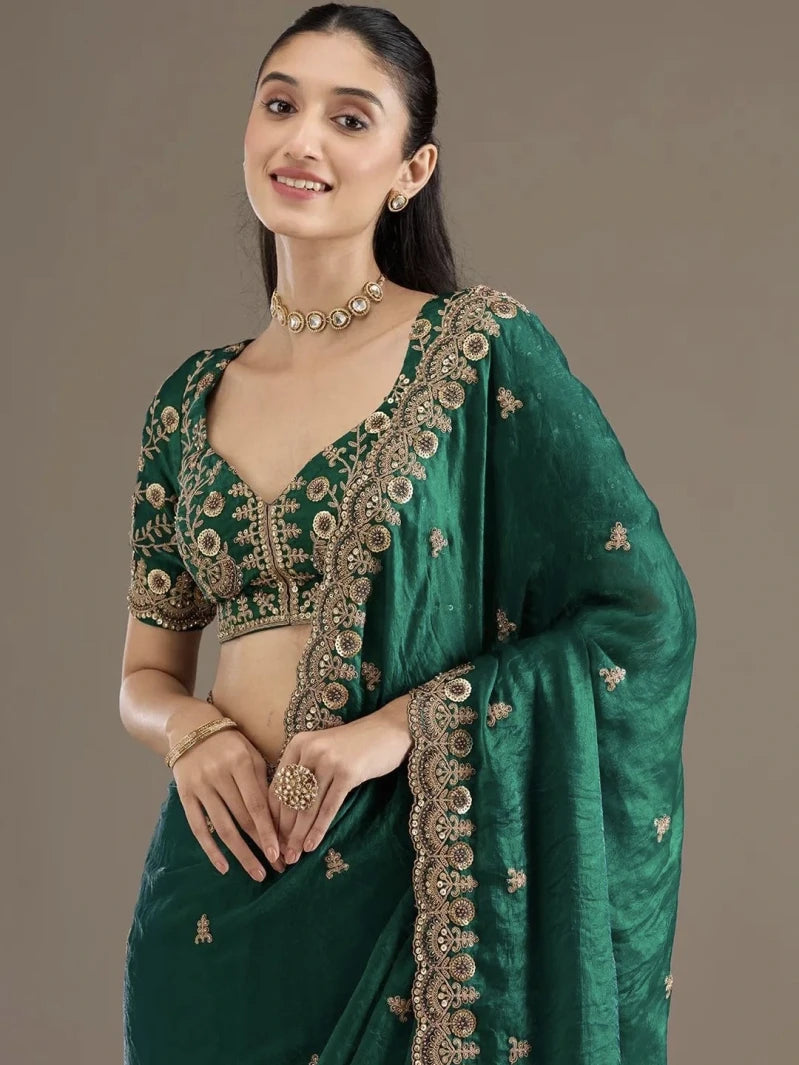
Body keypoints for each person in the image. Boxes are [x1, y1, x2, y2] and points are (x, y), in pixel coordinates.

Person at [119, 5, 697, 1064]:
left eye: (349, 119)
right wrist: (191, 734)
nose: (302, 139)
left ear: (410, 169)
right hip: (208, 899)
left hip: (403, 879)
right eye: (280, 104)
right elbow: (145, 675)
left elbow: (642, 617)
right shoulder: (186, 400)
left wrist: (398, 730)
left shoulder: (479, 352)